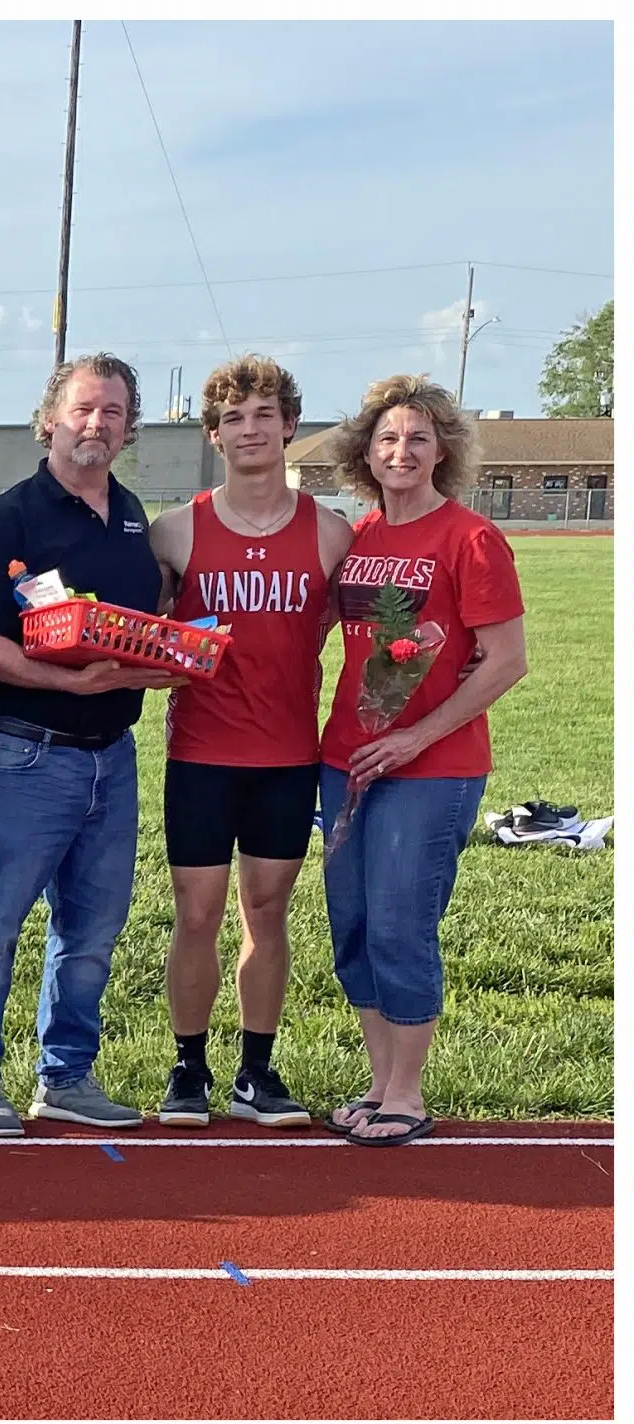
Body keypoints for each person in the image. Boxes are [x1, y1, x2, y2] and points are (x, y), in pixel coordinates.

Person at [0, 353, 180, 1136]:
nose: (95, 424)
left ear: (128, 429)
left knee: (92, 931)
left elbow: (138, 627)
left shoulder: (135, 517)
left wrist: (158, 666)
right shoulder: (8, 520)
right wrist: (63, 684)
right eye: (82, 409)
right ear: (49, 419)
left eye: (112, 413)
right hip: (22, 750)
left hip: (112, 754)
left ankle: (66, 1074)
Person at [314, 375, 527, 1147]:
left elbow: (506, 661)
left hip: (430, 770)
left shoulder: (470, 538)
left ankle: (408, 1090)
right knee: (355, 926)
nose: (401, 451)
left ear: (444, 451)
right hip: (344, 762)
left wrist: (414, 736)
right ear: (365, 452)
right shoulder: (360, 537)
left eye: (418, 439)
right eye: (388, 439)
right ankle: (377, 1083)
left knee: (403, 924)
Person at [147, 356, 351, 1127]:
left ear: (290, 426)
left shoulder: (332, 535)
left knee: (267, 912)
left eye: (264, 414)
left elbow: (345, 625)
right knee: (196, 914)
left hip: (288, 755)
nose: (251, 429)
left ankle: (257, 1074)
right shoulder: (175, 530)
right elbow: (149, 632)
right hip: (200, 753)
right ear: (214, 435)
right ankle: (188, 1068)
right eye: (234, 418)